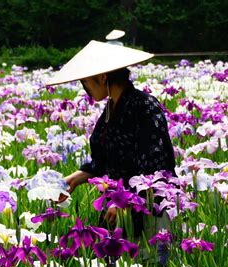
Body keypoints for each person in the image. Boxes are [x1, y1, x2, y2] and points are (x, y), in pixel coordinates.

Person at [47, 40, 176, 237]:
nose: (84, 88)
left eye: (85, 81)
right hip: (116, 210)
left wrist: (127, 201)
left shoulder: (144, 106)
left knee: (146, 266)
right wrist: (78, 176)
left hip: (148, 211)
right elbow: (107, 161)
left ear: (102, 76)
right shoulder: (111, 109)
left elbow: (156, 168)